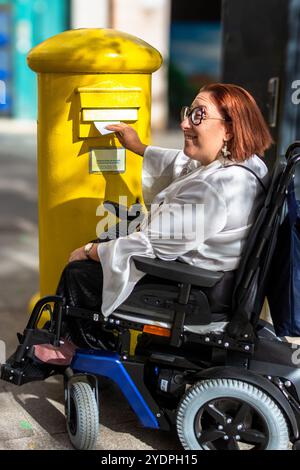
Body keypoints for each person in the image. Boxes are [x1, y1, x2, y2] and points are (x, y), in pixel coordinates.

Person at [35, 83, 273, 362]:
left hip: (195, 289)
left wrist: (89, 251)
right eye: (188, 112)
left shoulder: (216, 189)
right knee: (107, 243)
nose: (184, 122)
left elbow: (152, 243)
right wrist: (138, 147)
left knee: (79, 271)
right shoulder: (249, 166)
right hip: (219, 281)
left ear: (230, 128)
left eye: (199, 115)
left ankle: (82, 347)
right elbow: (186, 165)